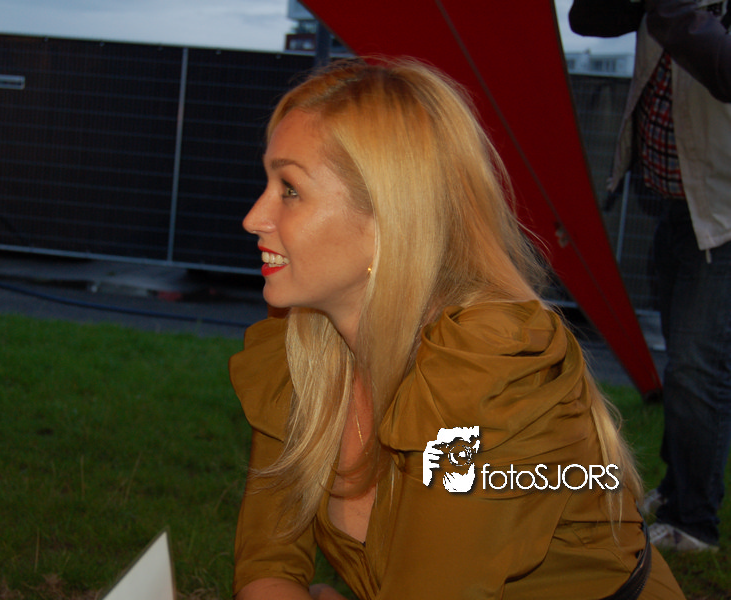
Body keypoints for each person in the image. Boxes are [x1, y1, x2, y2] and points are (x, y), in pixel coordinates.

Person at [228, 58, 684, 599]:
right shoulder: (300, 346)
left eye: (289, 189)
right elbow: (268, 562)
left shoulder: (489, 371)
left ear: (390, 215)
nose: (253, 218)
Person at [570, 0, 731, 554]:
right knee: (687, 370)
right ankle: (679, 487)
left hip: (722, 217)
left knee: (697, 371)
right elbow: (588, 18)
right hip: (677, 207)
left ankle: (696, 523)